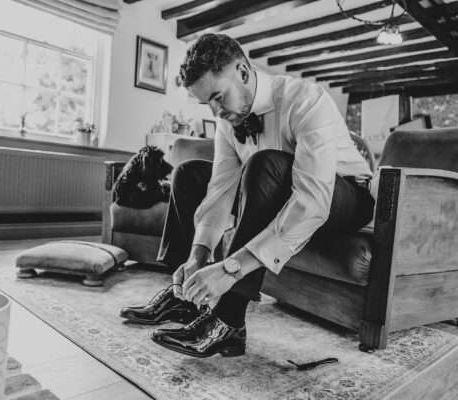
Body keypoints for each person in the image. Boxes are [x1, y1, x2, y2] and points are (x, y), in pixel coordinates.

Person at [120, 33, 374, 358]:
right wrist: (198, 256)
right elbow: (221, 188)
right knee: (189, 175)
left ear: (242, 72)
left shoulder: (306, 99)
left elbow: (313, 203)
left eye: (218, 96)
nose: (215, 111)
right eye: (206, 103)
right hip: (275, 186)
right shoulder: (228, 119)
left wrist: (229, 269)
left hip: (345, 197)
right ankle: (183, 297)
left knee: (262, 163)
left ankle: (229, 322)